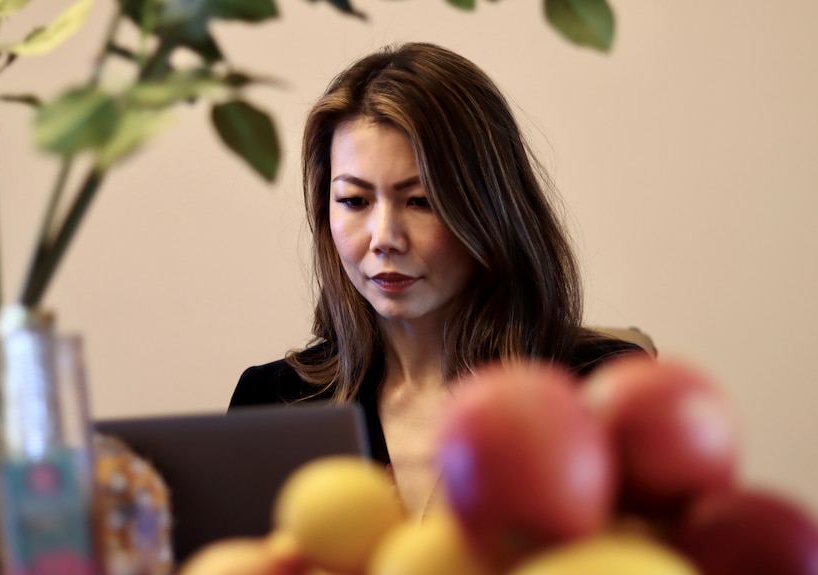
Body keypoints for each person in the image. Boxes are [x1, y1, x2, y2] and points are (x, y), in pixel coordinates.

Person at [229, 42, 643, 517]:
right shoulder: (271, 405)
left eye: (420, 200)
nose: (384, 238)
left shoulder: (600, 392)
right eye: (354, 201)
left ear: (490, 210)